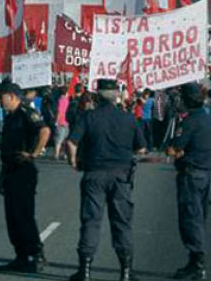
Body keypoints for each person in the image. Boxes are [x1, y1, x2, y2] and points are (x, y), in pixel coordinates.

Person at [66, 79, 147, 281]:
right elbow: (141, 149)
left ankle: (85, 271)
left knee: (91, 222)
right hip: (121, 176)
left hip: (94, 174)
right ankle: (126, 272)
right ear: (116, 96)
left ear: (97, 95)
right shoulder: (128, 118)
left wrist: (74, 161)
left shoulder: (88, 117)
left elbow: (71, 142)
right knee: (122, 223)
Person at [0, 82, 51, 274]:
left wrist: (35, 153)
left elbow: (44, 130)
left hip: (24, 170)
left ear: (12, 96)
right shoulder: (10, 117)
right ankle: (20, 256)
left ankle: (35, 254)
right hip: (10, 170)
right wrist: (2, 175)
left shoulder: (26, 111)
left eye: (1, 97)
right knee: (12, 217)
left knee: (24, 215)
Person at [166, 83, 211, 280]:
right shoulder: (207, 119)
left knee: (190, 218)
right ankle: (194, 260)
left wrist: (173, 149)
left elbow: (175, 149)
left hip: (191, 175)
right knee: (198, 217)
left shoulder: (190, 122)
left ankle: (198, 263)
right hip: (205, 174)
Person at [54, 87, 71, 161]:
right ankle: (64, 154)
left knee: (59, 139)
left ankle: (56, 154)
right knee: (65, 139)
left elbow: (59, 112)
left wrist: (56, 121)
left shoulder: (60, 100)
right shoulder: (67, 100)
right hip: (67, 121)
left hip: (61, 121)